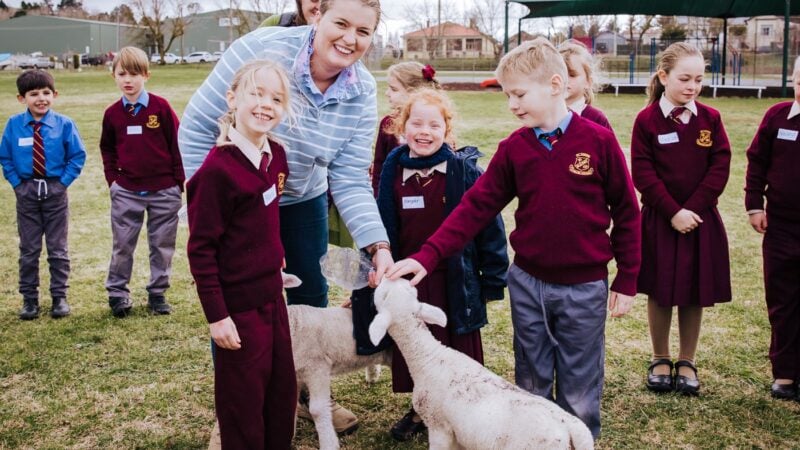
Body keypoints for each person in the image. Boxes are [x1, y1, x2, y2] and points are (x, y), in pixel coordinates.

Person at [387, 38, 641, 439]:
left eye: (519, 94)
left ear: (555, 85)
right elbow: (474, 208)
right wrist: (427, 256)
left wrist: (628, 278)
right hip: (528, 284)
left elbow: (627, 212)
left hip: (584, 286)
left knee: (579, 382)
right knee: (532, 379)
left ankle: (580, 439)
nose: (512, 105)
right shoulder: (514, 149)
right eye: (508, 95)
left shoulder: (598, 141)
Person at [179, 0, 389, 435]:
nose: (350, 39)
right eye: (341, 23)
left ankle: (298, 395)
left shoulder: (362, 92)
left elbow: (349, 177)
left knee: (307, 295)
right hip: (236, 196)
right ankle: (233, 414)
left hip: (299, 196)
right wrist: (206, 206)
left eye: (363, 32)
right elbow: (196, 127)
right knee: (240, 301)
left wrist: (378, 245)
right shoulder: (260, 51)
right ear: (317, 16)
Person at [369, 88, 508, 441]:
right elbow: (382, 225)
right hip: (409, 282)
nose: (424, 131)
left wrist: (493, 279)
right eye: (416, 123)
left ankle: (469, 412)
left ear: (447, 129)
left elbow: (489, 228)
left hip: (454, 281)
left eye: (434, 124)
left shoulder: (463, 171)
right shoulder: (392, 170)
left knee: (457, 351)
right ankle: (421, 410)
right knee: (418, 351)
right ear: (403, 126)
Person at [187, 58, 296, 449]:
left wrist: (275, 254)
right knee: (243, 402)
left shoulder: (278, 156)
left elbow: (266, 217)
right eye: (256, 93)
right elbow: (201, 250)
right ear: (233, 98)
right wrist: (217, 317)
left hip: (272, 300)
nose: (266, 104)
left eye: (276, 98)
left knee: (281, 391)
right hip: (238, 309)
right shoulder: (216, 172)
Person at [631, 42, 731, 396]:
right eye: (684, 78)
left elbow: (720, 167)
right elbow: (642, 172)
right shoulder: (645, 121)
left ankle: (687, 360)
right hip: (662, 220)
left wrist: (693, 209)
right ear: (663, 76)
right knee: (659, 291)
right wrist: (673, 211)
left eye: (698, 80)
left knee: (693, 291)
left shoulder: (711, 119)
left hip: (700, 222)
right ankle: (660, 357)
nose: (692, 86)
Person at [99, 46, 185, 318]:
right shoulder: (112, 114)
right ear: (113, 75)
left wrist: (178, 183)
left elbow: (178, 144)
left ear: (146, 75)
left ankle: (157, 292)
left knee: (162, 244)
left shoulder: (160, 108)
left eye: (134, 73)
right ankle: (118, 293)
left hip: (164, 190)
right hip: (127, 191)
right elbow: (108, 150)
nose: (128, 80)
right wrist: (114, 181)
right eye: (122, 73)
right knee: (123, 244)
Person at [0, 69, 86, 320]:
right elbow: (5, 157)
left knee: (58, 248)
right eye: (34, 94)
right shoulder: (14, 125)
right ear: (21, 98)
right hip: (27, 192)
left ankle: (59, 297)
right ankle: (29, 299)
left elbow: (77, 156)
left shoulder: (64, 125)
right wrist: (17, 184)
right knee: (29, 249)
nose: (41, 98)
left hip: (55, 193)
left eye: (46, 93)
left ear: (55, 95)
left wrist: (62, 184)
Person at [744, 56, 800, 401]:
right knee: (782, 301)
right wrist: (754, 204)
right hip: (780, 228)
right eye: (798, 82)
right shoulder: (777, 117)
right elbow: (757, 161)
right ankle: (785, 373)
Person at [371, 62, 441, 196]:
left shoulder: (436, 124)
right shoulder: (388, 123)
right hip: (393, 198)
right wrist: (377, 196)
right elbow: (379, 166)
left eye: (394, 89)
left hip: (431, 197)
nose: (387, 93)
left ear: (412, 93)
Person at [558, 39, 613, 131]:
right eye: (559, 74)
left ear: (588, 81)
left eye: (572, 75)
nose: (565, 80)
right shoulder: (543, 117)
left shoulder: (597, 119)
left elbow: (610, 145)